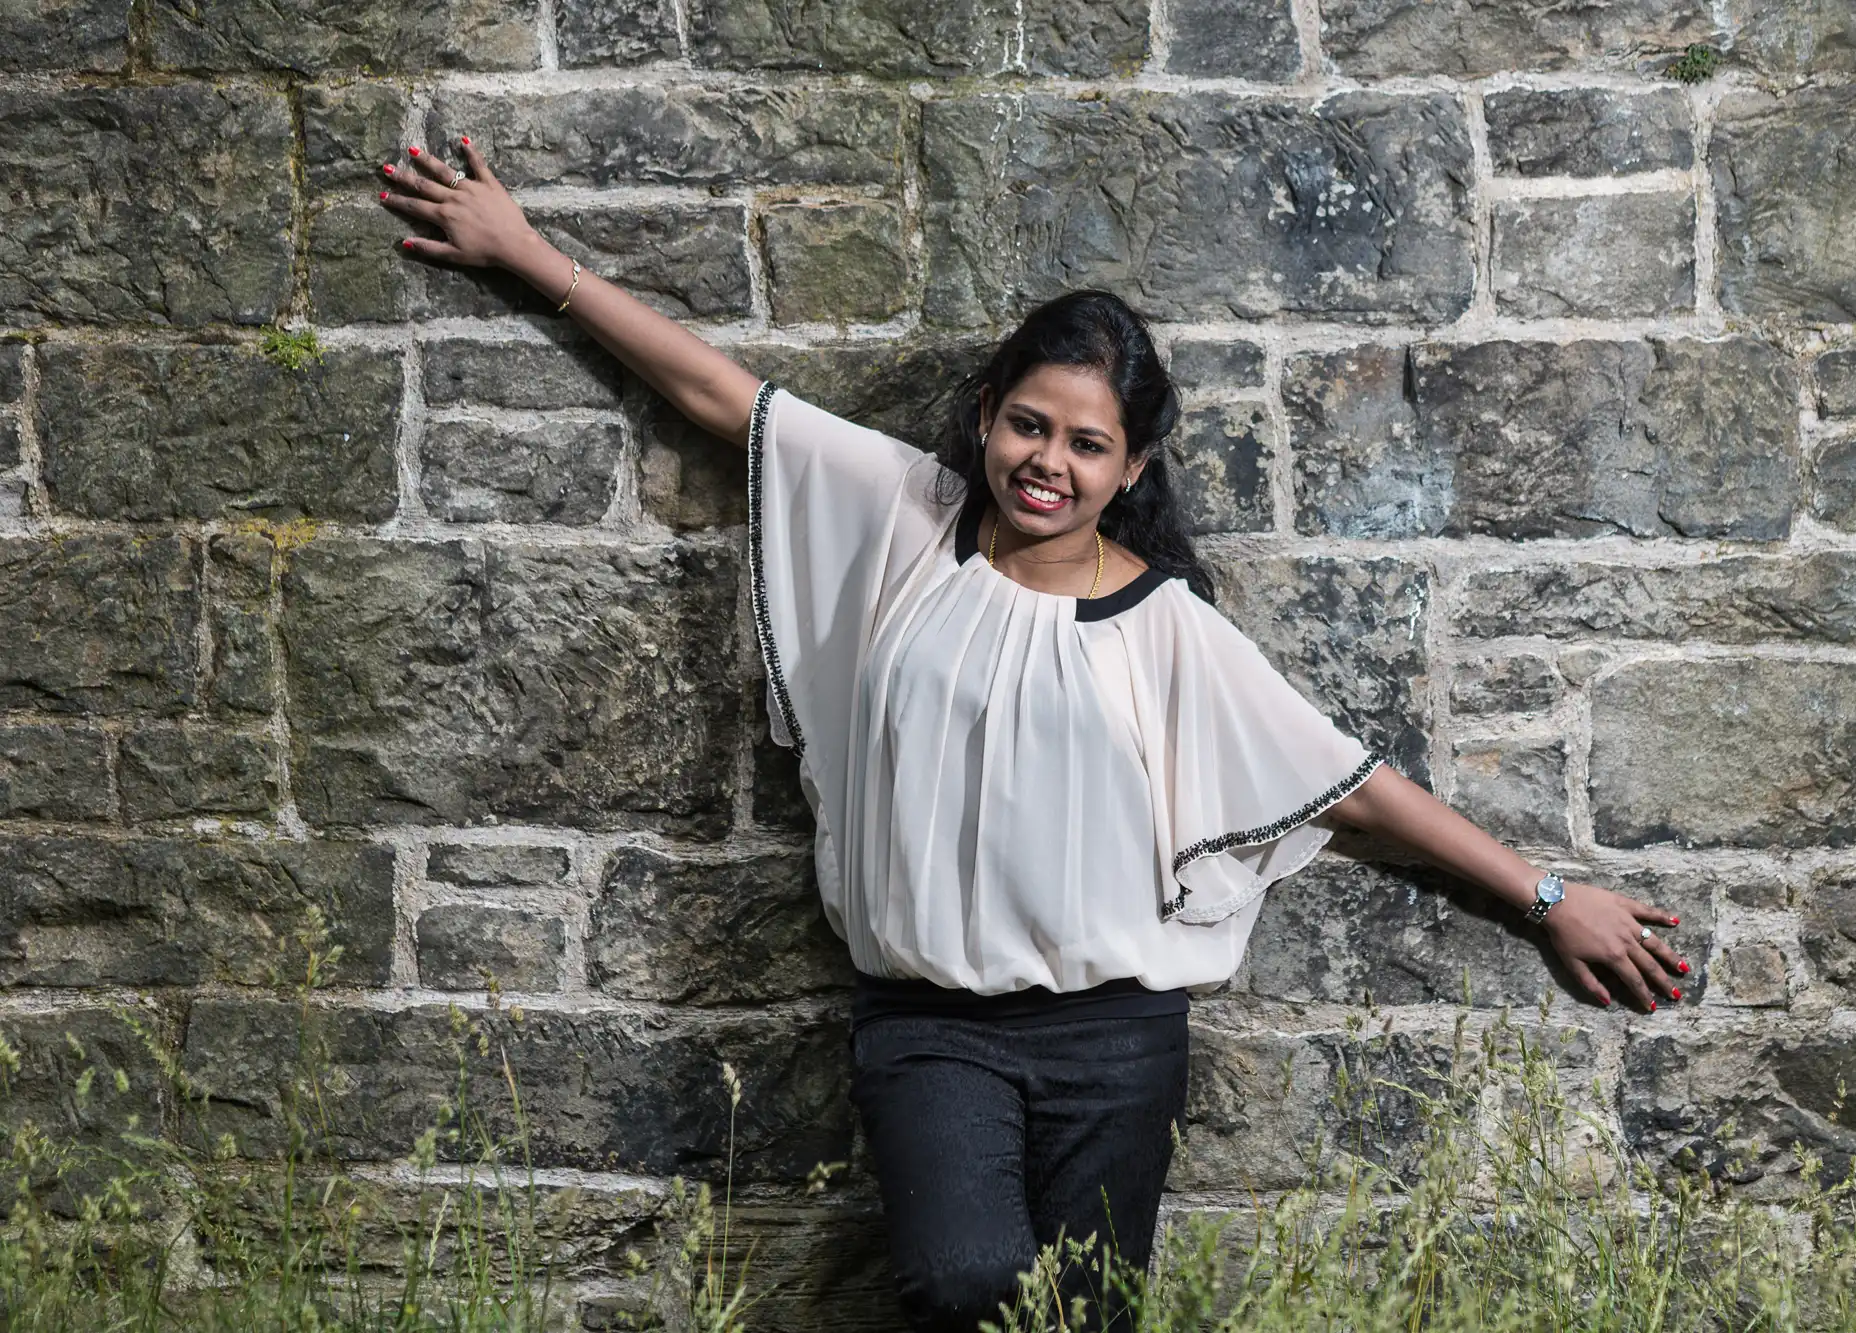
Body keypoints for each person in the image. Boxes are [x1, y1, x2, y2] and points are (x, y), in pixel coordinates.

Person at [378, 140, 1692, 1333]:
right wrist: (527, 256)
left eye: (1087, 443)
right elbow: (723, 396)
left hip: (1115, 1043)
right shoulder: (906, 523)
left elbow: (1352, 789)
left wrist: (1549, 899)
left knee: (1084, 1319)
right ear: (988, 412)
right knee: (963, 1283)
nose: (1046, 461)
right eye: (1028, 422)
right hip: (928, 1028)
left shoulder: (1166, 630)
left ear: (1129, 469)